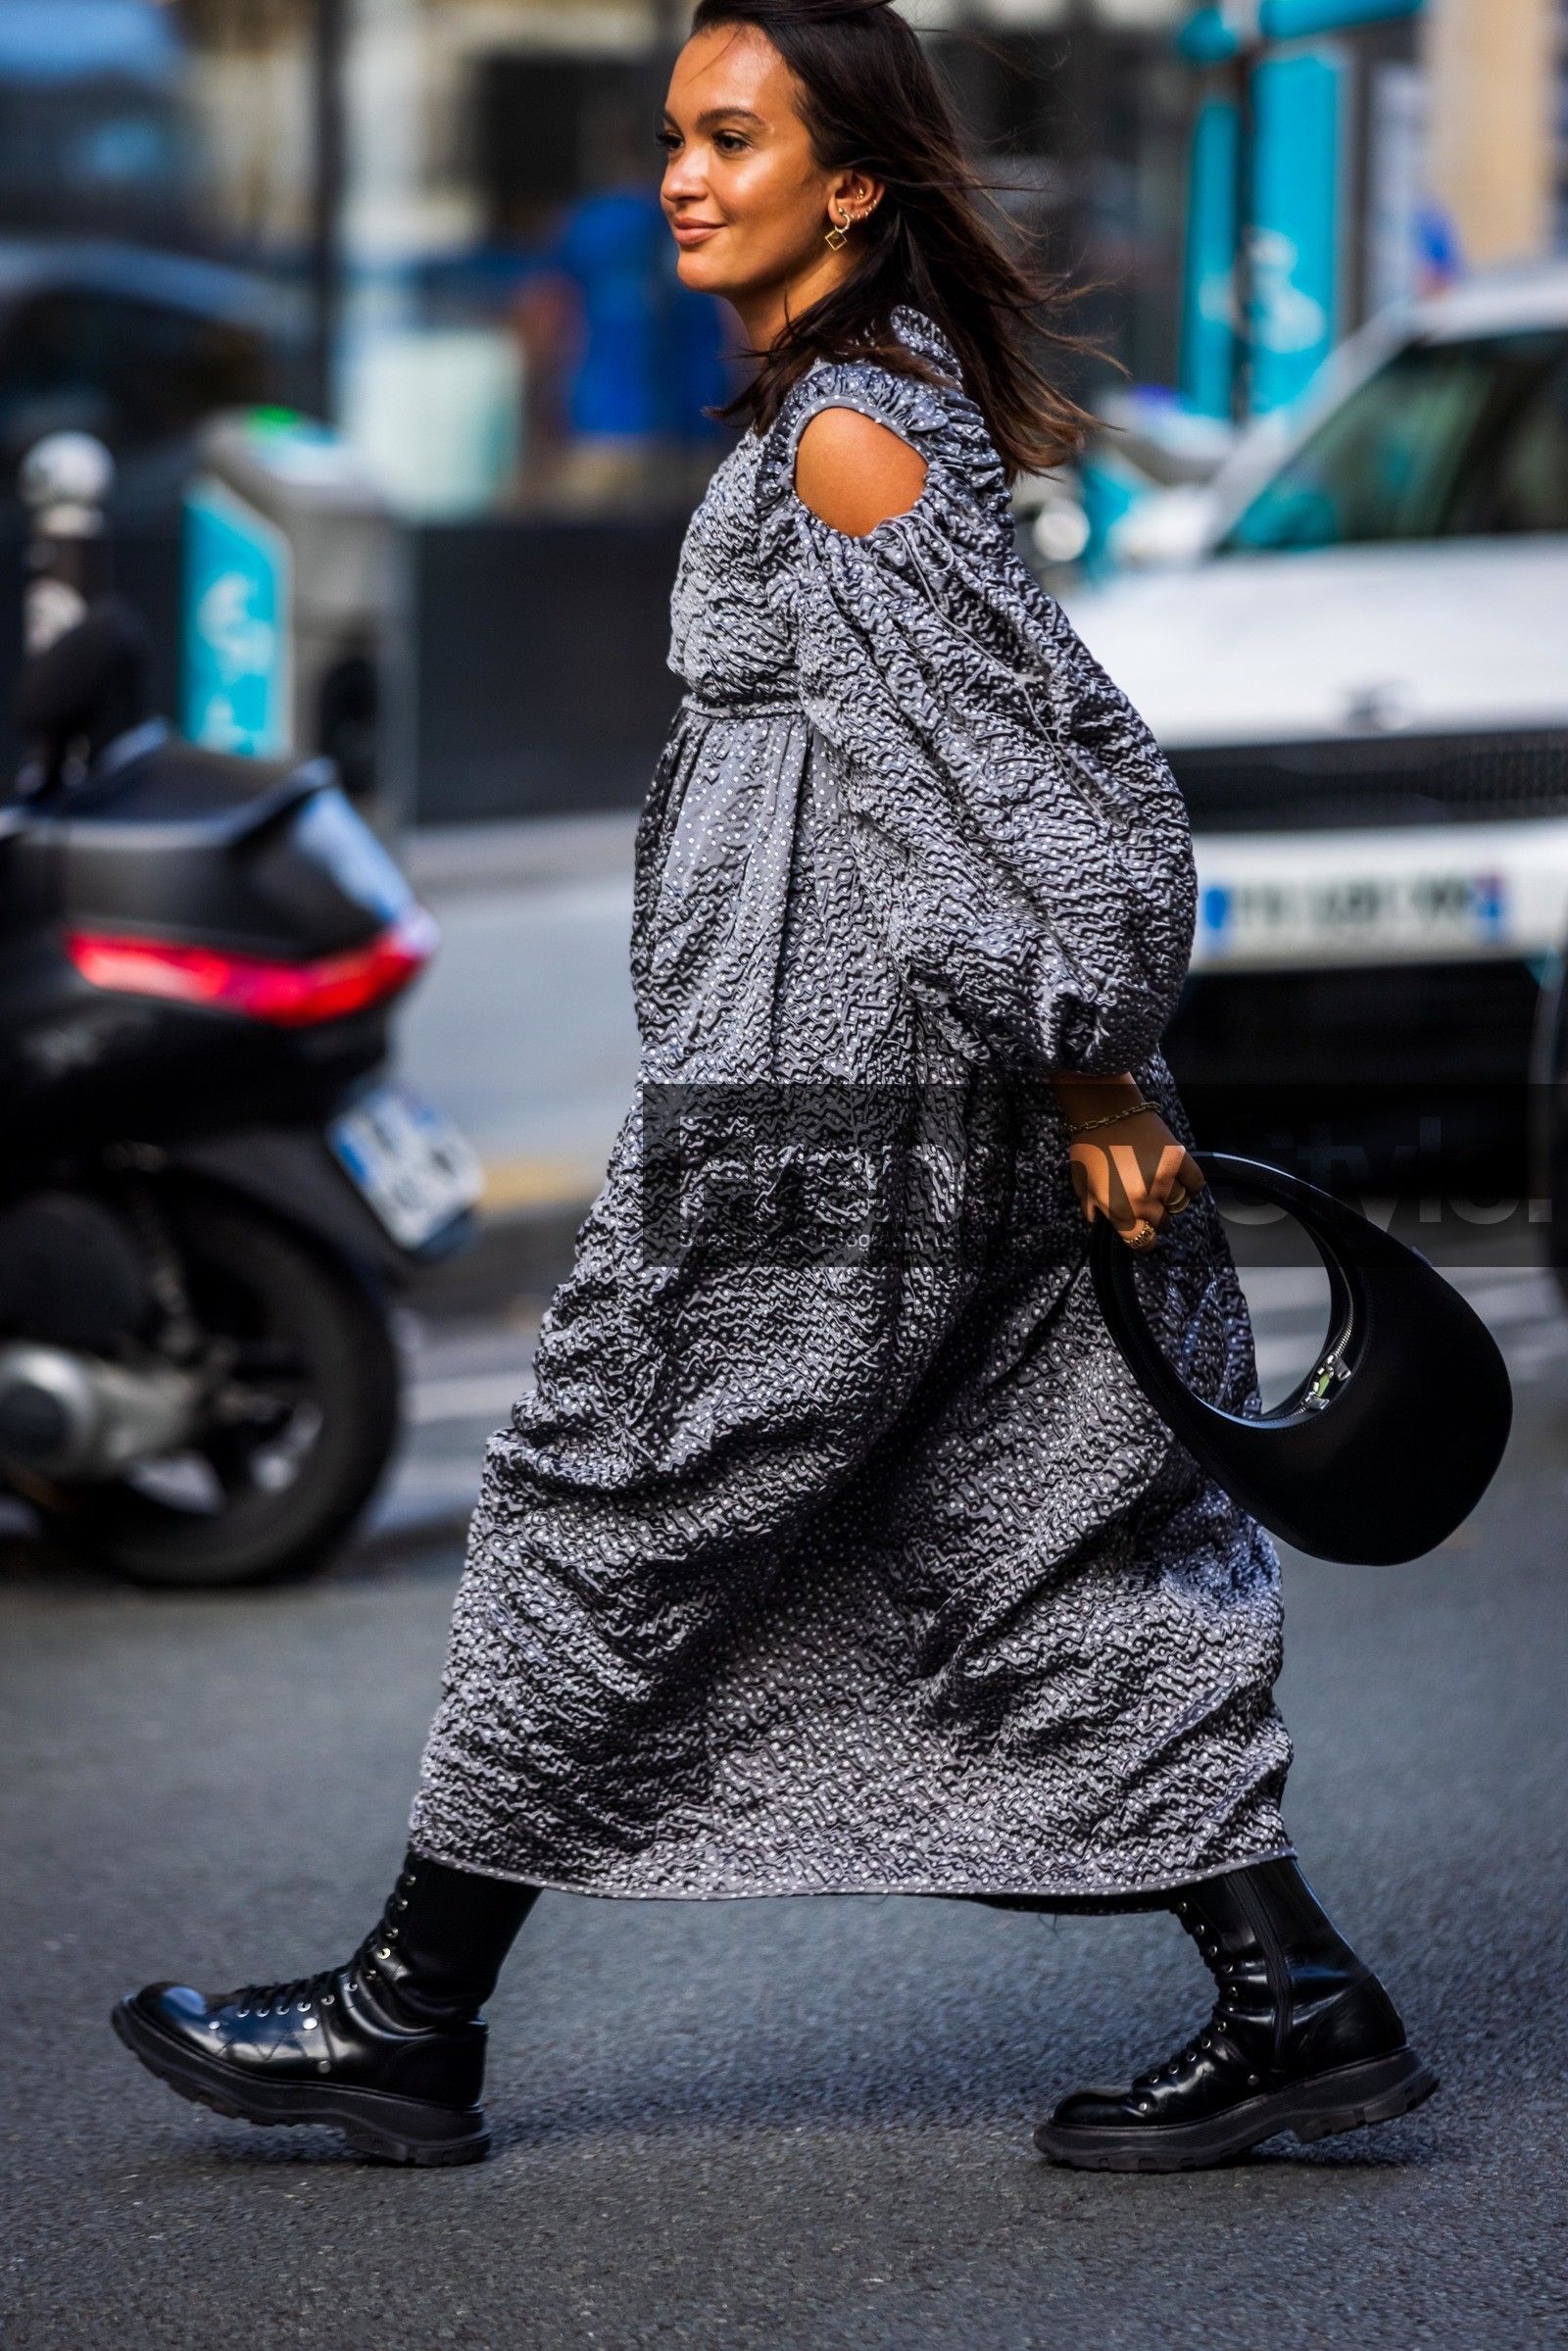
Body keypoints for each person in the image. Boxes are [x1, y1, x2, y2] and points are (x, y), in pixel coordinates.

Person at [113, 0, 1436, 2175]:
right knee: (1037, 1532)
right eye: (668, 137)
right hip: (911, 1098)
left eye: (733, 137)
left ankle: (403, 2019)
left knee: (602, 1499)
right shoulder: (855, 415)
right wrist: (1067, 1066)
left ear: (852, 183)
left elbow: (1001, 777)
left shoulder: (848, 436)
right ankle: (1290, 1997)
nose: (680, 175)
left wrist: (1084, 1050)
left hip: (825, 1115)